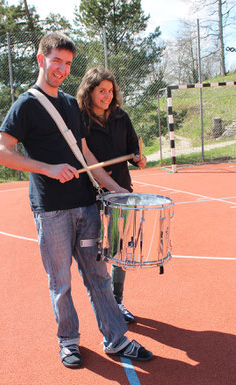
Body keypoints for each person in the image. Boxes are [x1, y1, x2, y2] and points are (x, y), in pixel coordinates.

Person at [0, 32, 152, 369]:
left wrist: (114, 189)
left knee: (98, 276)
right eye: (56, 61)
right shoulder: (26, 105)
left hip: (86, 205)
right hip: (51, 211)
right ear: (41, 60)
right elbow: (0, 152)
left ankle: (116, 339)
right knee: (60, 282)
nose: (61, 69)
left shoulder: (69, 104)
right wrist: (47, 168)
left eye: (67, 63)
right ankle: (68, 341)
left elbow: (85, 152)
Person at [76, 67, 147, 324]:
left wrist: (138, 159)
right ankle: (104, 302)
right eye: (101, 91)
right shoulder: (80, 120)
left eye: (110, 91)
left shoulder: (121, 116)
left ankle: (117, 301)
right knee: (97, 252)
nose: (107, 96)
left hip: (121, 193)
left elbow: (132, 150)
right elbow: (83, 155)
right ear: (89, 91)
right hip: (91, 196)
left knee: (119, 249)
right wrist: (102, 181)